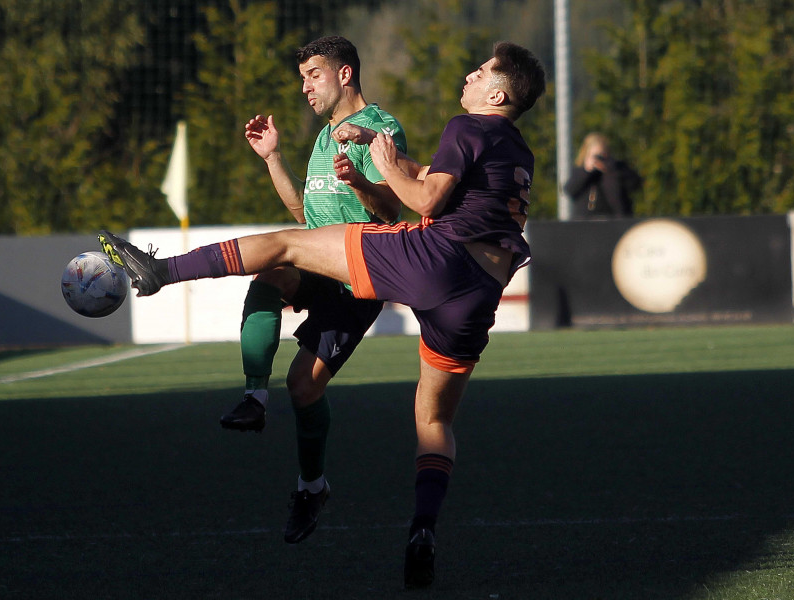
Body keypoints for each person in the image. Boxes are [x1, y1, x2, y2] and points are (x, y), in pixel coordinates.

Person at [98, 41, 545, 588]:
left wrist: (380, 168)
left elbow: (425, 200)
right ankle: (422, 529)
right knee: (434, 420)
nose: (470, 76)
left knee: (283, 247)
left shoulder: (466, 125)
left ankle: (162, 274)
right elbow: (440, 176)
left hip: (436, 260)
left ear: (496, 93)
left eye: (481, 72)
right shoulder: (515, 149)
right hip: (478, 294)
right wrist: (380, 156)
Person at [220, 36, 407, 545]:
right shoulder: (327, 137)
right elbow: (304, 216)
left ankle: (312, 486)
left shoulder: (379, 129)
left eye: (314, 74)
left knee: (304, 387)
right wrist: (273, 158)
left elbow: (391, 211)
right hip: (316, 261)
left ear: (345, 74)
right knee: (272, 270)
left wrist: (360, 183)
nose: (305, 86)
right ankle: (255, 396)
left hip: (357, 275)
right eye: (302, 76)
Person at [563, 132, 641, 219]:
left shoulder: (618, 170)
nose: (600, 160)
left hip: (614, 221)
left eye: (603, 156)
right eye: (596, 156)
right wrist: (588, 171)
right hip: (585, 222)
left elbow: (635, 184)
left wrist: (611, 171)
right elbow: (569, 190)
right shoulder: (579, 172)